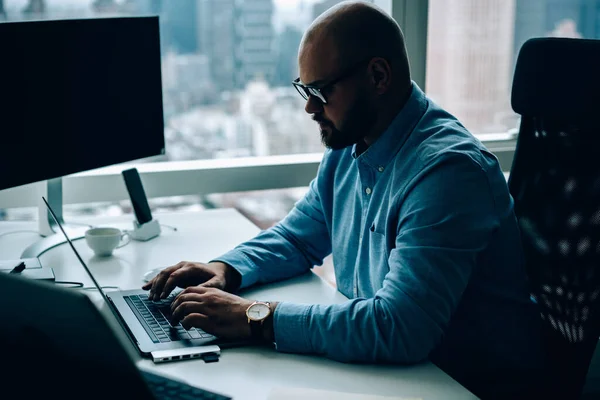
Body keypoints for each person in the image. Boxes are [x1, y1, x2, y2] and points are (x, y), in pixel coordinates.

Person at [143, 1, 543, 398]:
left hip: (456, 384)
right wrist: (225, 269)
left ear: (378, 75)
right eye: (305, 89)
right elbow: (299, 237)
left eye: (320, 90)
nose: (309, 107)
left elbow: (399, 327)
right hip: (382, 374)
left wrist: (255, 318)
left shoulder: (448, 173)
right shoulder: (350, 139)